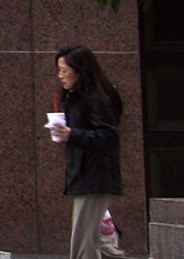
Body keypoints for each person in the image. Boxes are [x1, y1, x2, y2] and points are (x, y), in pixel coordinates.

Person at [47, 44, 126, 259]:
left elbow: (109, 137)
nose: (60, 76)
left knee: (83, 243)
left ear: (80, 72)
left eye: (64, 71)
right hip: (84, 175)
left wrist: (72, 134)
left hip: (94, 175)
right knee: (97, 242)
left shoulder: (95, 100)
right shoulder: (76, 98)